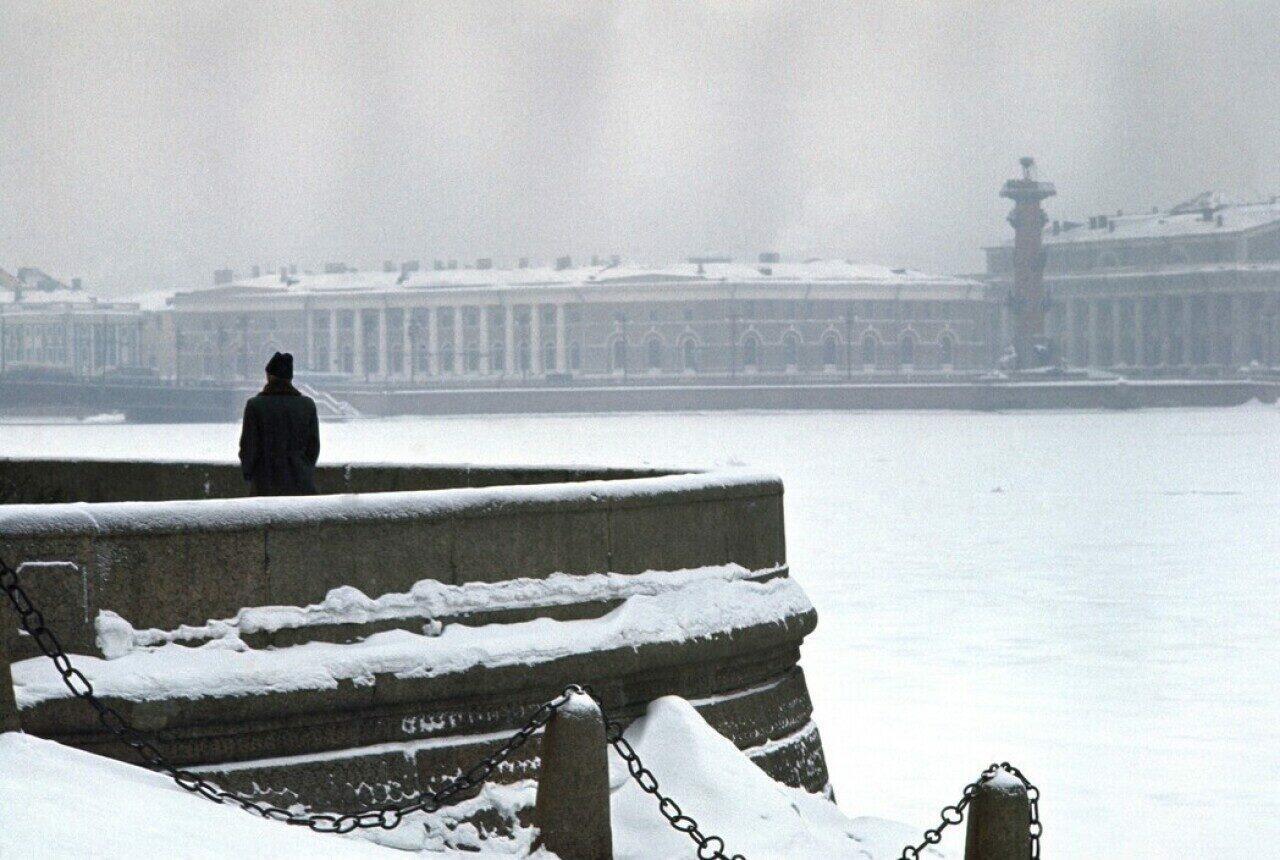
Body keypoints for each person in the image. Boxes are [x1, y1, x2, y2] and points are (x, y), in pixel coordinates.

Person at [238, 352, 320, 495]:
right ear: (290, 378)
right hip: (301, 484)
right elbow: (313, 447)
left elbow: (248, 447)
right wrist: (303, 468)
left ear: (269, 376)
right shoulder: (307, 405)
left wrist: (250, 474)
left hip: (265, 484)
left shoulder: (255, 406)